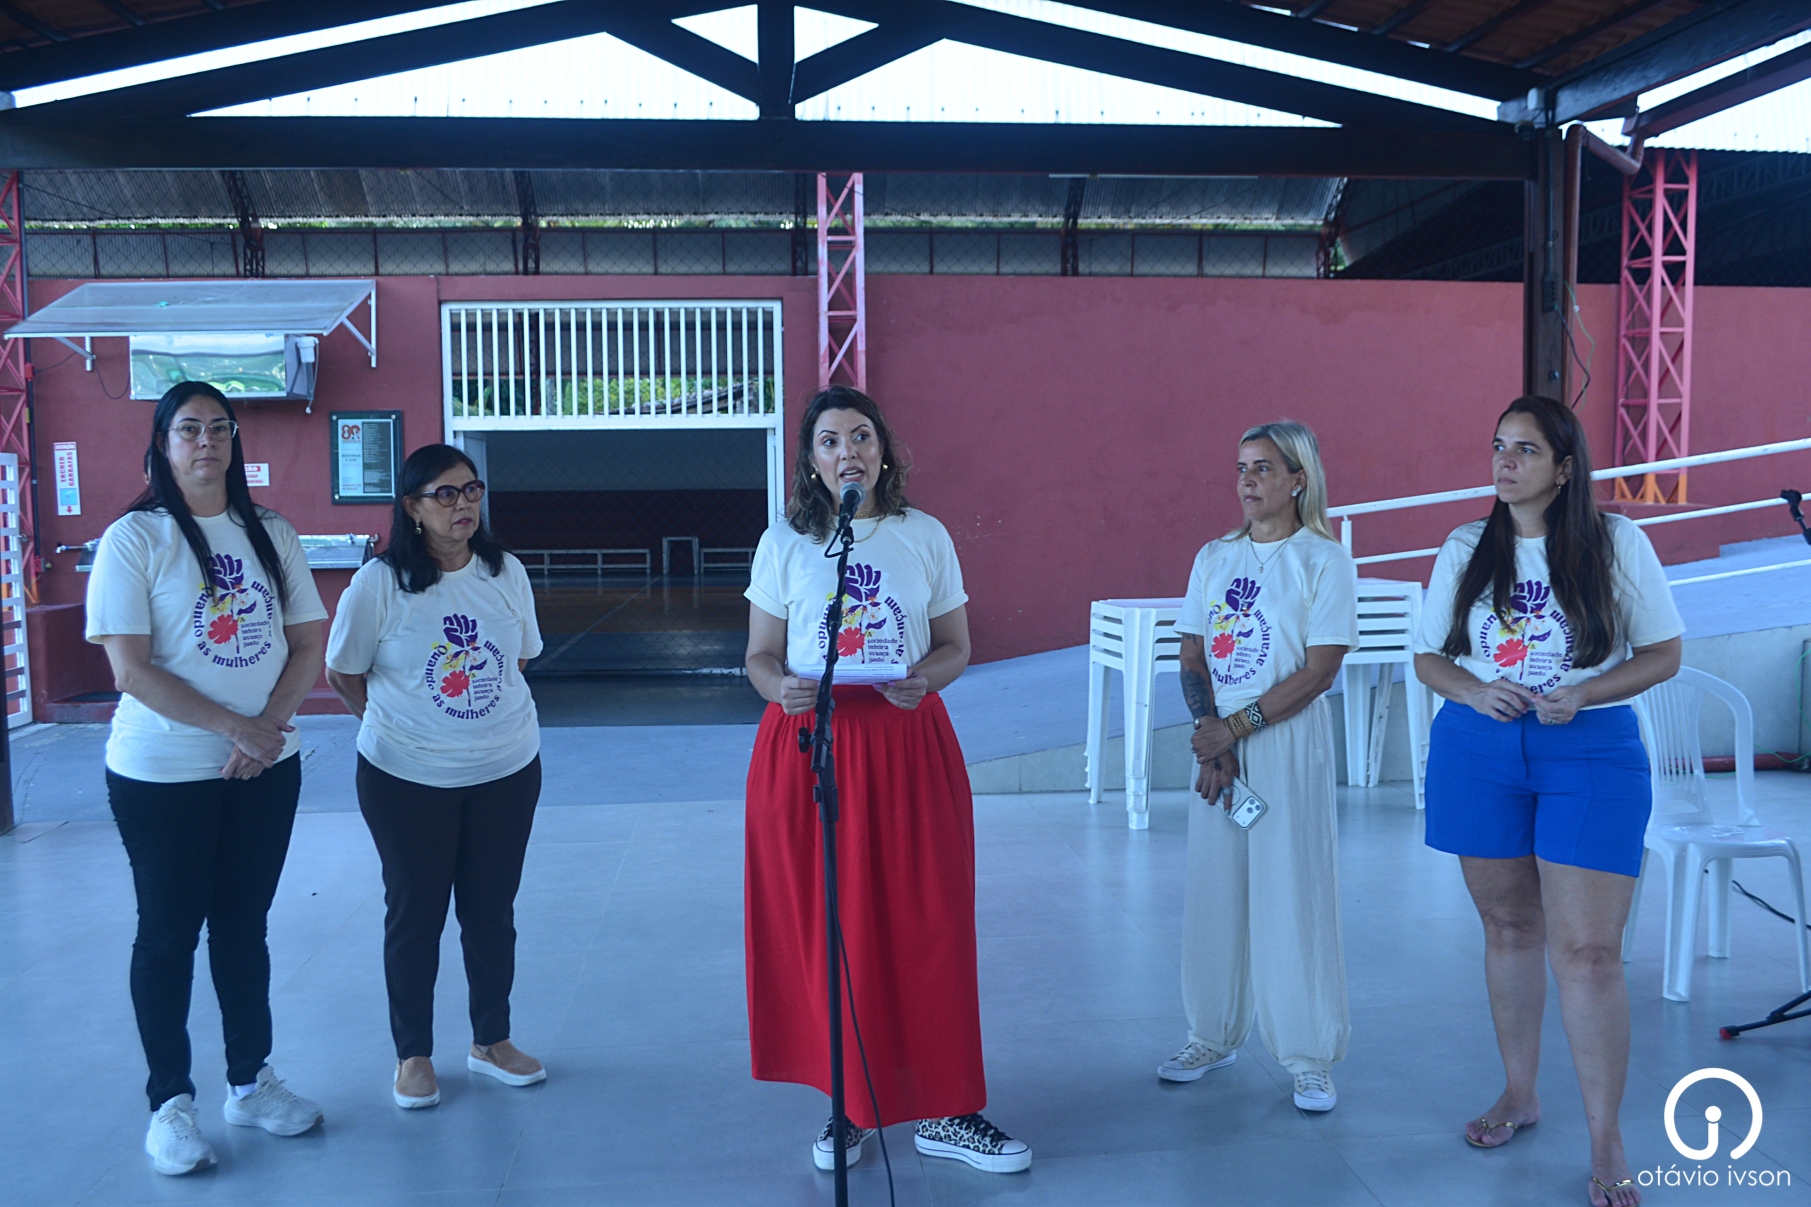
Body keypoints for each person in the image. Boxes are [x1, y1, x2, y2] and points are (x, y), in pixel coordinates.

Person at [743, 385, 1031, 1175]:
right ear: (811, 461)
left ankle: (945, 1106)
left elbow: (954, 645)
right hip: (811, 747)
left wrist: (924, 678)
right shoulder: (785, 541)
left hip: (906, 743)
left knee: (927, 921)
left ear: (882, 450)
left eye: (861, 436)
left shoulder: (923, 534)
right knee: (831, 926)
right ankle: (846, 1102)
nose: (849, 452)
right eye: (831, 440)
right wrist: (778, 688)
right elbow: (759, 656)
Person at [1413, 396, 1682, 1207]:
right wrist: (1472, 690)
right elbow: (1427, 656)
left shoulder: (1615, 542)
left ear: (1564, 468)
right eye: (1498, 445)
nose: (1504, 461)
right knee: (1507, 926)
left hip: (1589, 748)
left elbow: (1664, 652)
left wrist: (1586, 691)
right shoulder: (1465, 547)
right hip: (1477, 747)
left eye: (1524, 450)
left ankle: (1605, 1138)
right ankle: (1519, 1092)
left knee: (1590, 953)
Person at [87, 382, 330, 1176]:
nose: (206, 442)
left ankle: (249, 1082)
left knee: (243, 926)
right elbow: (130, 669)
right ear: (162, 444)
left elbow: (306, 642)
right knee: (167, 935)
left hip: (263, 768)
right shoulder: (136, 537)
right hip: (163, 773)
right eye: (188, 429)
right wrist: (236, 727)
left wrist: (267, 731)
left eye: (219, 428)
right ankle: (169, 1102)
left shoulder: (271, 532)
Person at [326, 444, 547, 1110]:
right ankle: (413, 1053)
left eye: (470, 490)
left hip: (506, 770)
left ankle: (491, 1040)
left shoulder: (505, 571)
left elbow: (518, 659)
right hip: (404, 777)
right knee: (415, 914)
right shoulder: (379, 583)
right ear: (413, 507)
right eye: (444, 494)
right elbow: (344, 671)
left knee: (491, 913)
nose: (462, 504)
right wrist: (404, 727)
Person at [1163, 420, 1359, 1113]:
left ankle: (1308, 1055)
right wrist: (1211, 738)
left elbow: (1320, 669)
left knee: (1291, 889)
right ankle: (1210, 1034)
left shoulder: (1323, 560)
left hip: (1285, 737)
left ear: (1298, 479)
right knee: (1213, 890)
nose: (1247, 481)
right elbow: (1192, 652)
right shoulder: (1214, 556)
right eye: (1241, 468)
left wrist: (1235, 728)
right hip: (1217, 743)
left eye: (1264, 468)